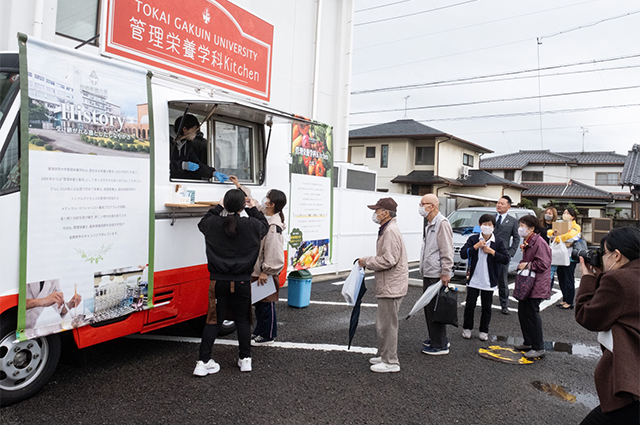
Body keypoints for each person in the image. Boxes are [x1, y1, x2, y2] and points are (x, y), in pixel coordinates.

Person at [194, 189, 268, 376]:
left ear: (225, 204)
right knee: (243, 320)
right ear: (242, 205)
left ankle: (203, 362)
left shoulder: (212, 224)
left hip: (218, 281)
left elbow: (202, 223)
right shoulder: (251, 225)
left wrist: (218, 206)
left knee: (213, 321)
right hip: (242, 281)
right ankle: (245, 360)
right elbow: (264, 225)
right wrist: (251, 208)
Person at [575, 227, 640, 425]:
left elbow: (587, 315)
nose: (602, 258)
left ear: (617, 255)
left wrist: (588, 277)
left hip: (632, 384)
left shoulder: (618, 280)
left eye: (604, 253)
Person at [229, 176, 287, 346]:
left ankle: (268, 335)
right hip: (258, 269)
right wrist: (239, 186)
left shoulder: (273, 225)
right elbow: (252, 203)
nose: (265, 200)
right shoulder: (265, 215)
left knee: (266, 304)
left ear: (273, 203)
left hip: (263, 271)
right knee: (260, 303)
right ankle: (261, 331)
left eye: (268, 198)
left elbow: (273, 251)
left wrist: (266, 271)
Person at [358, 197, 408, 373]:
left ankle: (391, 361)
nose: (375, 213)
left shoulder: (390, 231)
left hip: (392, 285)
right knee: (384, 323)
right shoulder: (387, 229)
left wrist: (366, 261)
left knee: (388, 324)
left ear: (385, 213)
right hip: (391, 284)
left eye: (377, 210)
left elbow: (389, 260)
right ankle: (384, 354)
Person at [459, 214, 509, 341]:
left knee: (487, 307)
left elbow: (505, 258)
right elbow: (463, 254)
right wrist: (475, 247)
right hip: (474, 278)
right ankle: (467, 328)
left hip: (488, 279)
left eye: (489, 225)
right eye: (484, 224)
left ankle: (483, 330)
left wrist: (492, 252)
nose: (487, 227)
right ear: (480, 225)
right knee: (470, 305)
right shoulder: (473, 239)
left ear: (494, 227)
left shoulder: (497, 241)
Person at [418, 194, 454, 356]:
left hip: (436, 273)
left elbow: (447, 249)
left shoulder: (441, 223)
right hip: (430, 271)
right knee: (430, 308)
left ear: (432, 206)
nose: (420, 206)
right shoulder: (430, 223)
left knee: (435, 309)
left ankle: (439, 345)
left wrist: (446, 271)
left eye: (422, 203)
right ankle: (436, 338)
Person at [514, 214, 551, 359]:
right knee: (523, 313)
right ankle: (528, 342)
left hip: (536, 284)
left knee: (532, 314)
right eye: (520, 225)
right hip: (528, 283)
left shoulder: (539, 242)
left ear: (531, 228)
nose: (520, 229)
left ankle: (538, 347)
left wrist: (527, 265)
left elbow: (544, 263)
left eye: (523, 226)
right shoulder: (529, 241)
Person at [170, 114, 228, 182]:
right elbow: (161, 165)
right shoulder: (166, 141)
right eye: (194, 131)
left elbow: (197, 164)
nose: (195, 134)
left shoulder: (187, 144)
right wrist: (182, 165)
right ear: (185, 129)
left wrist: (213, 173)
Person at [549, 207, 581, 309]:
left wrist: (557, 237)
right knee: (562, 278)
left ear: (573, 216)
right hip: (560, 257)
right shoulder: (560, 224)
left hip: (570, 257)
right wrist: (555, 235)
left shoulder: (576, 227)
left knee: (568, 279)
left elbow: (571, 236)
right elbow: (550, 232)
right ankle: (564, 299)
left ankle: (570, 301)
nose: (565, 214)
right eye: (564, 212)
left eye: (568, 213)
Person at [493, 196, 520, 314]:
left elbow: (516, 238)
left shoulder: (513, 221)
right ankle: (485, 301)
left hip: (503, 254)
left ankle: (504, 305)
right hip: (488, 253)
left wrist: (511, 252)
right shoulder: (491, 218)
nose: (499, 205)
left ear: (508, 206)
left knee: (503, 281)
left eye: (502, 204)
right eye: (498, 203)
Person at [539, 206, 558, 292]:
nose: (547, 215)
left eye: (550, 213)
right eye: (546, 213)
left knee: (550, 272)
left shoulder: (556, 226)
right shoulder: (539, 224)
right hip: (540, 250)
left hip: (552, 250)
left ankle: (547, 291)